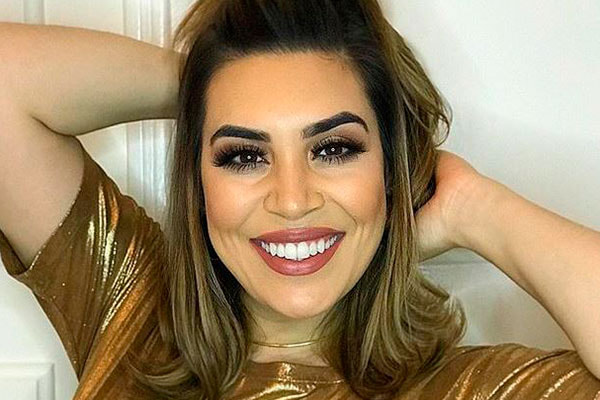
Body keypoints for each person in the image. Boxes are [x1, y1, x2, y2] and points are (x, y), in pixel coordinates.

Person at [0, 0, 599, 399]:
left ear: (391, 172)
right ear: (199, 183)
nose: (292, 200)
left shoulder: (477, 389)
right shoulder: (129, 316)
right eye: (244, 155)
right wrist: (212, 85)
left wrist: (476, 209)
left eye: (334, 149)